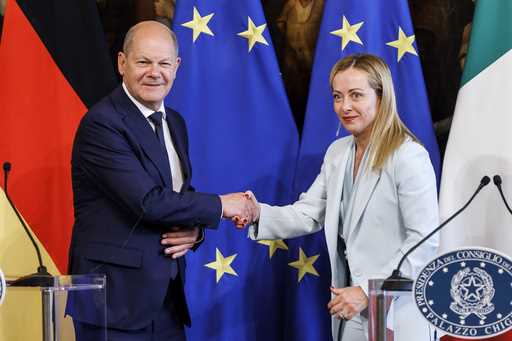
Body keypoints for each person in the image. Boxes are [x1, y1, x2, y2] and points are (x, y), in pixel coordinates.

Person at [68, 21, 254, 341]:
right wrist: (223, 205)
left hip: (166, 300)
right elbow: (149, 202)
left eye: (164, 63)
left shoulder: (175, 122)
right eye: (143, 62)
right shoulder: (102, 124)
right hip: (114, 303)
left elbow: (179, 194)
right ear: (122, 63)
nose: (155, 72)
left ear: (177, 67)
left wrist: (193, 232)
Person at [242, 54, 439, 341]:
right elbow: (308, 213)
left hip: (398, 310)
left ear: (381, 97)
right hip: (351, 310)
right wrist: (257, 213)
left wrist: (370, 290)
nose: (344, 106)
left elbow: (425, 242)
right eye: (337, 96)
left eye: (356, 95)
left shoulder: (408, 156)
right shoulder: (338, 152)